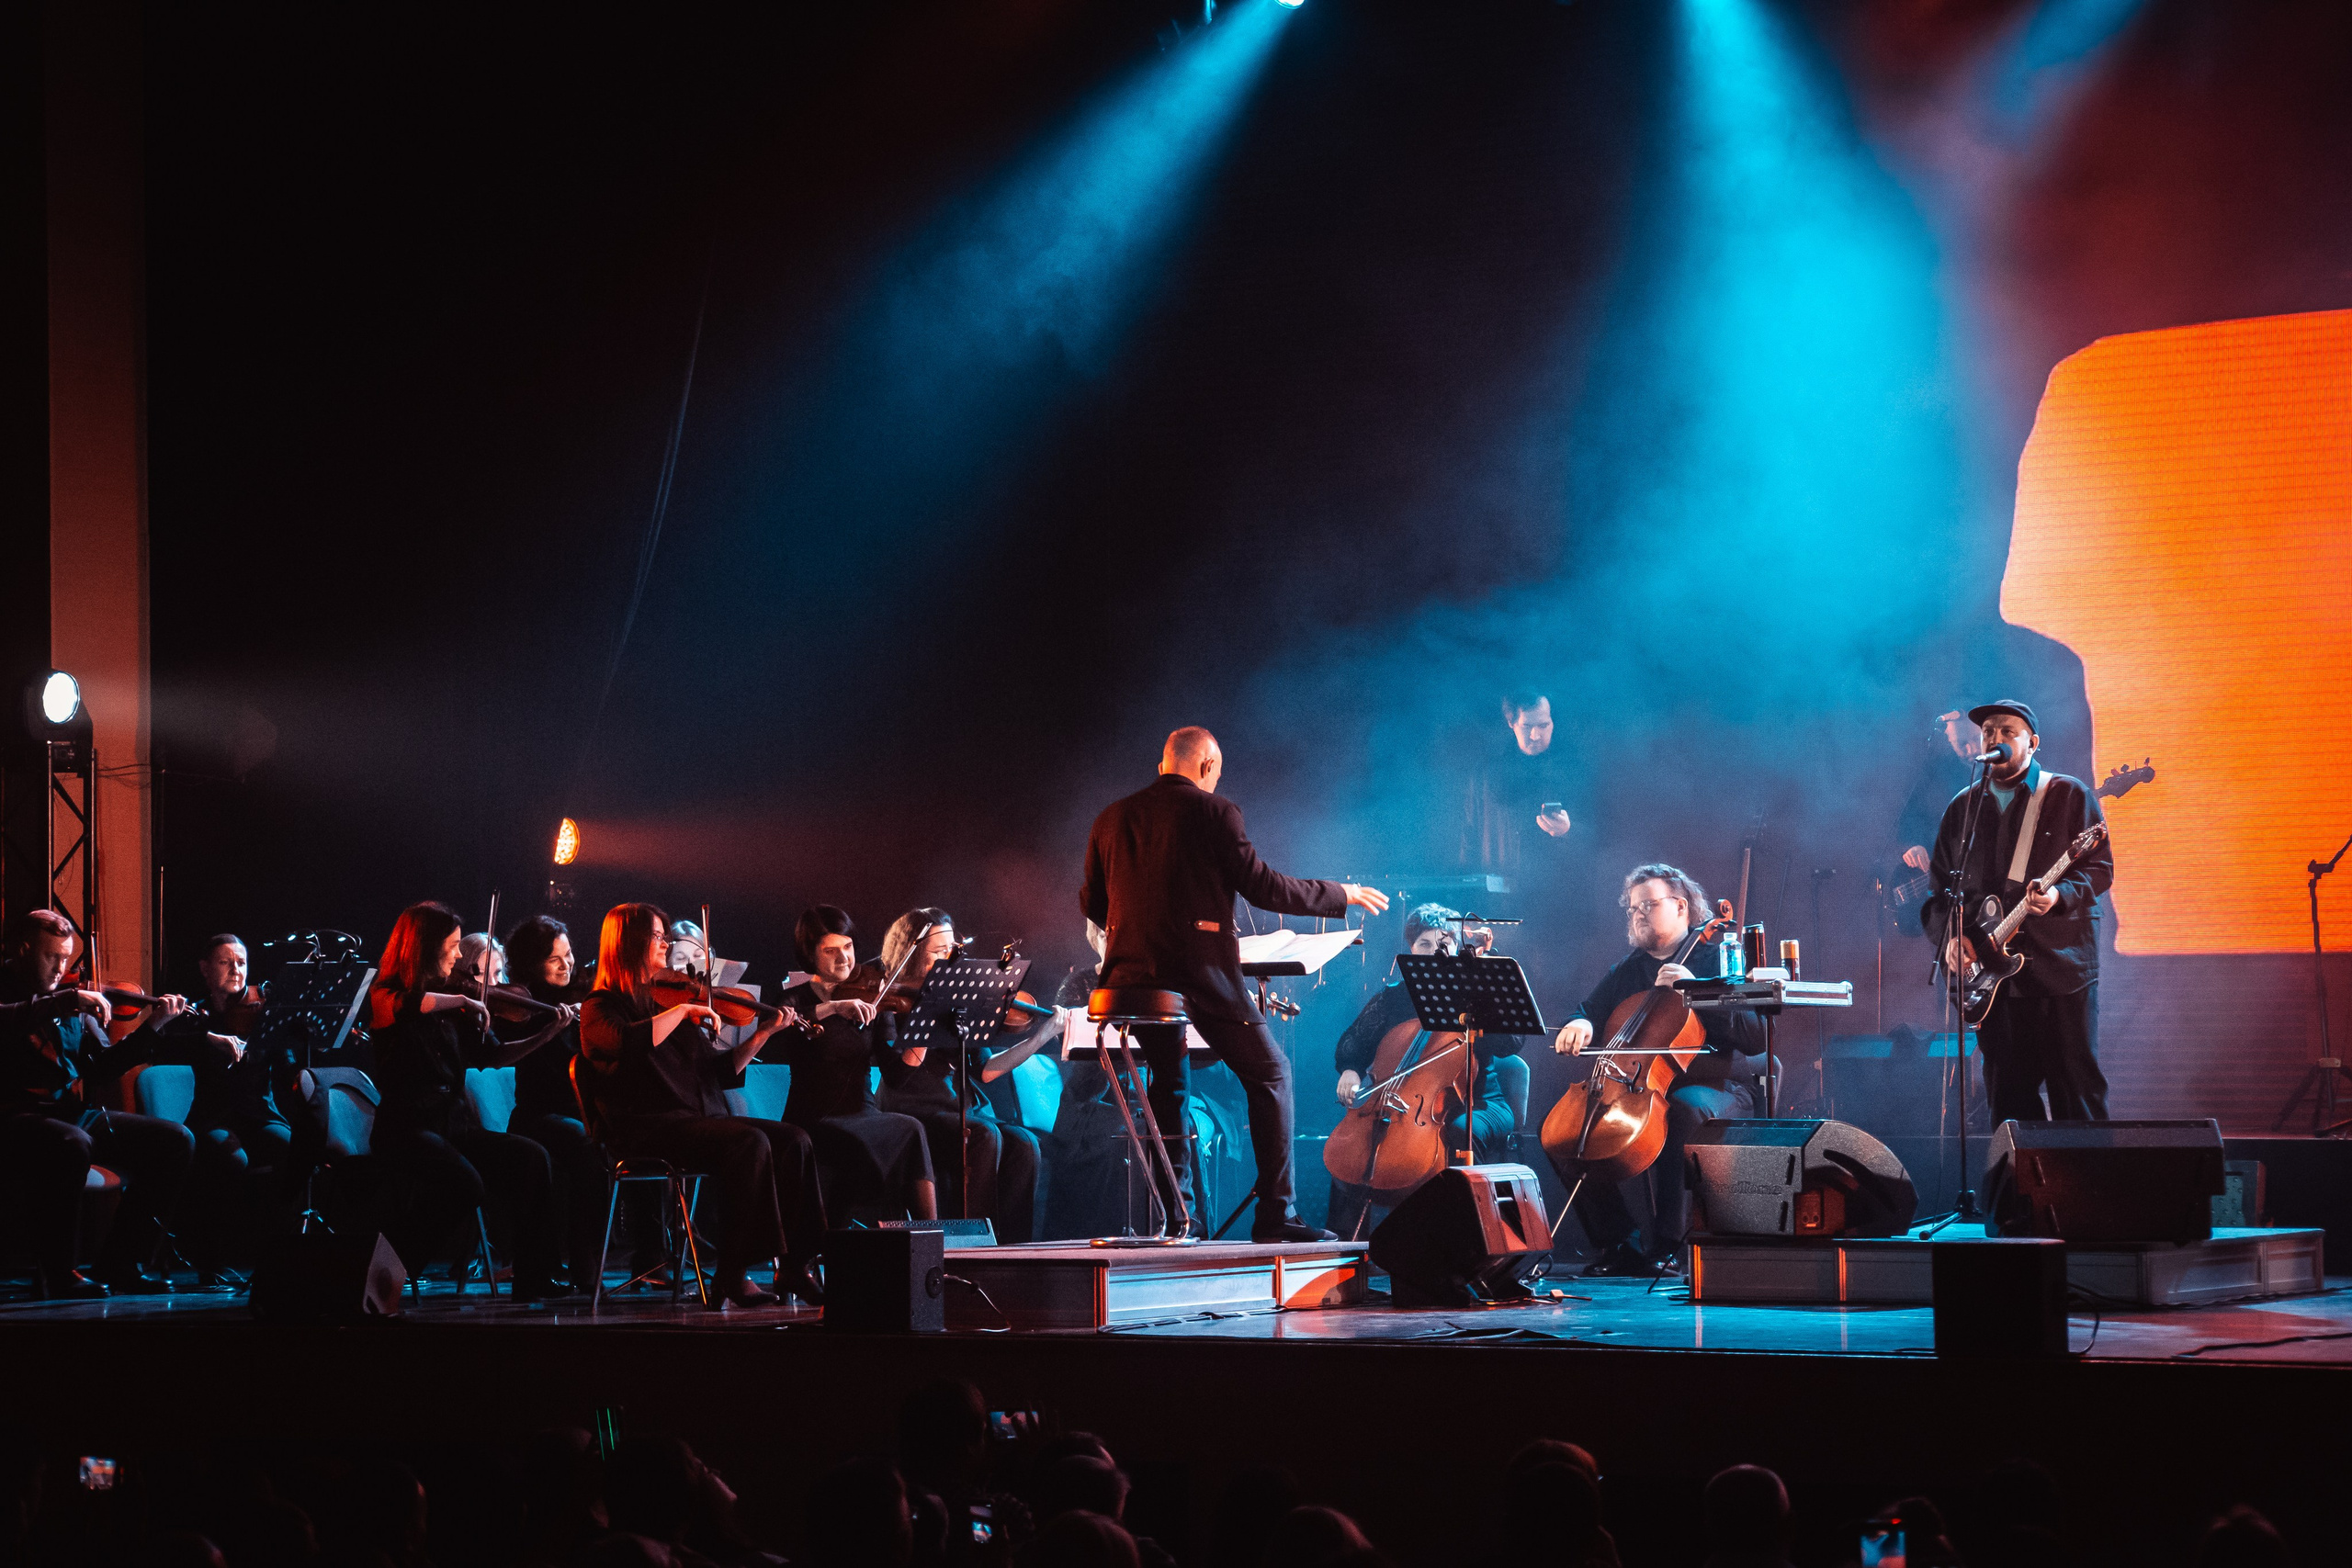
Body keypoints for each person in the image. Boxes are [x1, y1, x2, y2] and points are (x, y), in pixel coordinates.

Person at [1080, 727, 1389, 1242]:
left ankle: (1179, 1217)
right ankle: (1277, 1215)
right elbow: (1264, 886)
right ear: (1207, 766)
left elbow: (1091, 903)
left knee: (1169, 1084)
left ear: (1164, 765)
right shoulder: (1215, 811)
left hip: (1129, 980)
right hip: (1198, 974)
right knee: (1272, 1073)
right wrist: (1342, 893)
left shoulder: (1111, 817)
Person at [580, 902, 825, 1305]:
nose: (665, 944)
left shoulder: (671, 1000)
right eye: (658, 937)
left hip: (697, 1122)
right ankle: (732, 1273)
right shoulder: (601, 1006)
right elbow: (622, 1042)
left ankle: (796, 1265)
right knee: (748, 1143)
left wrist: (762, 1033)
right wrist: (682, 1010)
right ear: (629, 943)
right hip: (648, 1129)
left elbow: (719, 1073)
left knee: (794, 1140)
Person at [1551, 864, 1766, 1275]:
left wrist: (1696, 991)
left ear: (1681, 906)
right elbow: (1586, 1011)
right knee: (1562, 1132)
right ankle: (1617, 1244)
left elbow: (1754, 1036)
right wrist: (1579, 1023)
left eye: (1648, 904)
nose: (1638, 915)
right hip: (1640, 1084)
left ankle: (1669, 1247)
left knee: (1681, 1112)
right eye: (1632, 908)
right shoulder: (1630, 969)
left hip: (1717, 1082)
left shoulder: (1716, 954)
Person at [365, 901, 577, 1297]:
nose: (460, 954)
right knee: (464, 1183)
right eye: (453, 945)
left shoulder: (454, 999)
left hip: (453, 1124)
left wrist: (546, 1034)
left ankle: (534, 1277)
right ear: (424, 947)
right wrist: (461, 1000)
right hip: (407, 1127)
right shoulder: (384, 993)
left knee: (530, 1157)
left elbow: (492, 1056)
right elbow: (409, 1005)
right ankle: (383, 1271)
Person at [1920, 699, 2114, 1122]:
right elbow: (1939, 894)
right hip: (1994, 986)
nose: (1996, 739)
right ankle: (2018, 1189)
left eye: (2008, 731)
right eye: (1989, 731)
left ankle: (2083, 1188)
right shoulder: (1963, 807)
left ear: (2033, 743)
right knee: (2008, 1105)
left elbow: (2099, 869)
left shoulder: (2068, 794)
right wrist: (1951, 938)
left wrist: (2059, 896)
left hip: (2061, 973)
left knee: (2076, 1097)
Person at [0, 908, 197, 1296]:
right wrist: (61, 1002)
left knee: (175, 1141)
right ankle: (59, 1271)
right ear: (23, 951)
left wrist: (151, 1027)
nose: (61, 968)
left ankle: (121, 1260)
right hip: (13, 1115)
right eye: (51, 957)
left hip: (72, 1114)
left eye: (65, 958)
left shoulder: (68, 996)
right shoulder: (28, 995)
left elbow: (102, 1068)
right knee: (73, 1144)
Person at [1326, 904, 1521, 1240]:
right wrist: (1350, 1070)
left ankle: (1467, 1238)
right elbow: (1353, 1042)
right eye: (1425, 945)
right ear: (1411, 949)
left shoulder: (1476, 993)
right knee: (1353, 1146)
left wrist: (1485, 1005)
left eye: (1444, 943)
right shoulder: (1393, 998)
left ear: (1459, 947)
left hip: (1480, 1103)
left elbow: (1511, 1044)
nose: (1435, 953)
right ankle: (1341, 1249)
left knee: (1460, 1131)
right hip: (1406, 1104)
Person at [876, 908, 1043, 1242]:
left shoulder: (960, 999)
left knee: (1026, 1143)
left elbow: (985, 1071)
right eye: (938, 952)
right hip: (911, 1109)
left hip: (959, 1107)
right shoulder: (890, 1001)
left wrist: (1041, 1036)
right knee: (983, 1136)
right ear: (911, 955)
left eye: (953, 950)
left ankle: (1014, 1247)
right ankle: (974, 1246)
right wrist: (926, 1015)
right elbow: (897, 1078)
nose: (949, 958)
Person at [776, 906, 938, 1224]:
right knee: (907, 1129)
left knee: (909, 1129)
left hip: (863, 1113)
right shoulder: (794, 999)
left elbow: (896, 1075)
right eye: (831, 950)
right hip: (814, 1117)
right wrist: (834, 1007)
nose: (844, 958)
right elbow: (783, 1023)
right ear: (810, 955)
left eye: (848, 947)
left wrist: (924, 1031)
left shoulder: (873, 996)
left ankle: (932, 1244)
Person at [502, 915, 610, 1295]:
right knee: (584, 1143)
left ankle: (647, 1253)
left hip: (579, 1112)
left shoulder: (577, 1002)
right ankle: (584, 1263)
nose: (568, 966)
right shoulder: (519, 1004)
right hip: (537, 1116)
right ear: (533, 963)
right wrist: (553, 1028)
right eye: (555, 960)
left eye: (569, 955)